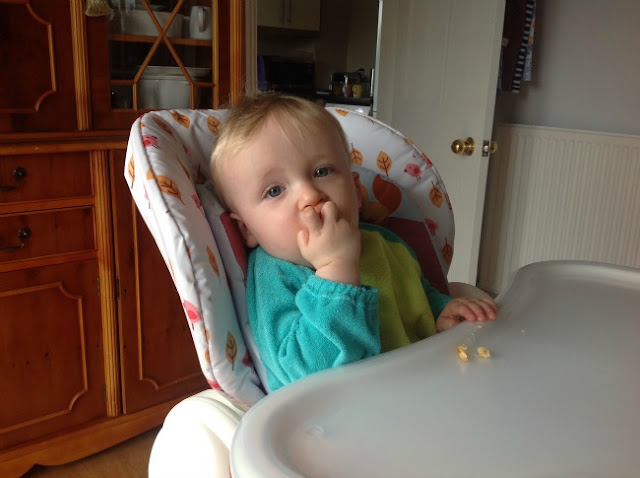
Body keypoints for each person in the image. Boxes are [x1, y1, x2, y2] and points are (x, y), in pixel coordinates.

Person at [210, 94, 497, 392]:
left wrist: (443, 311)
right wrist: (335, 270)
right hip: (343, 420)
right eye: (274, 191)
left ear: (357, 191)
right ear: (247, 230)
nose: (310, 195)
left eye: (322, 172)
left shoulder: (386, 243)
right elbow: (306, 376)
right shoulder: (274, 276)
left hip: (425, 388)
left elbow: (417, 296)